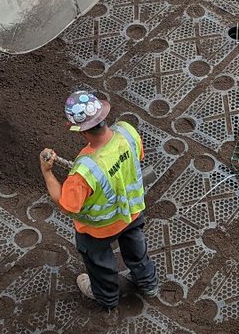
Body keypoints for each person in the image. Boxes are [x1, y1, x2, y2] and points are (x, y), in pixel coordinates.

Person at [40, 89, 160, 309]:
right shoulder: (127, 131)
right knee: (136, 247)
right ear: (103, 116)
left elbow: (67, 206)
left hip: (98, 229)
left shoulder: (83, 170)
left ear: (80, 131)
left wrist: (47, 172)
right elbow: (137, 158)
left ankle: (106, 296)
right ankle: (148, 282)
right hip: (131, 212)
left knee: (99, 263)